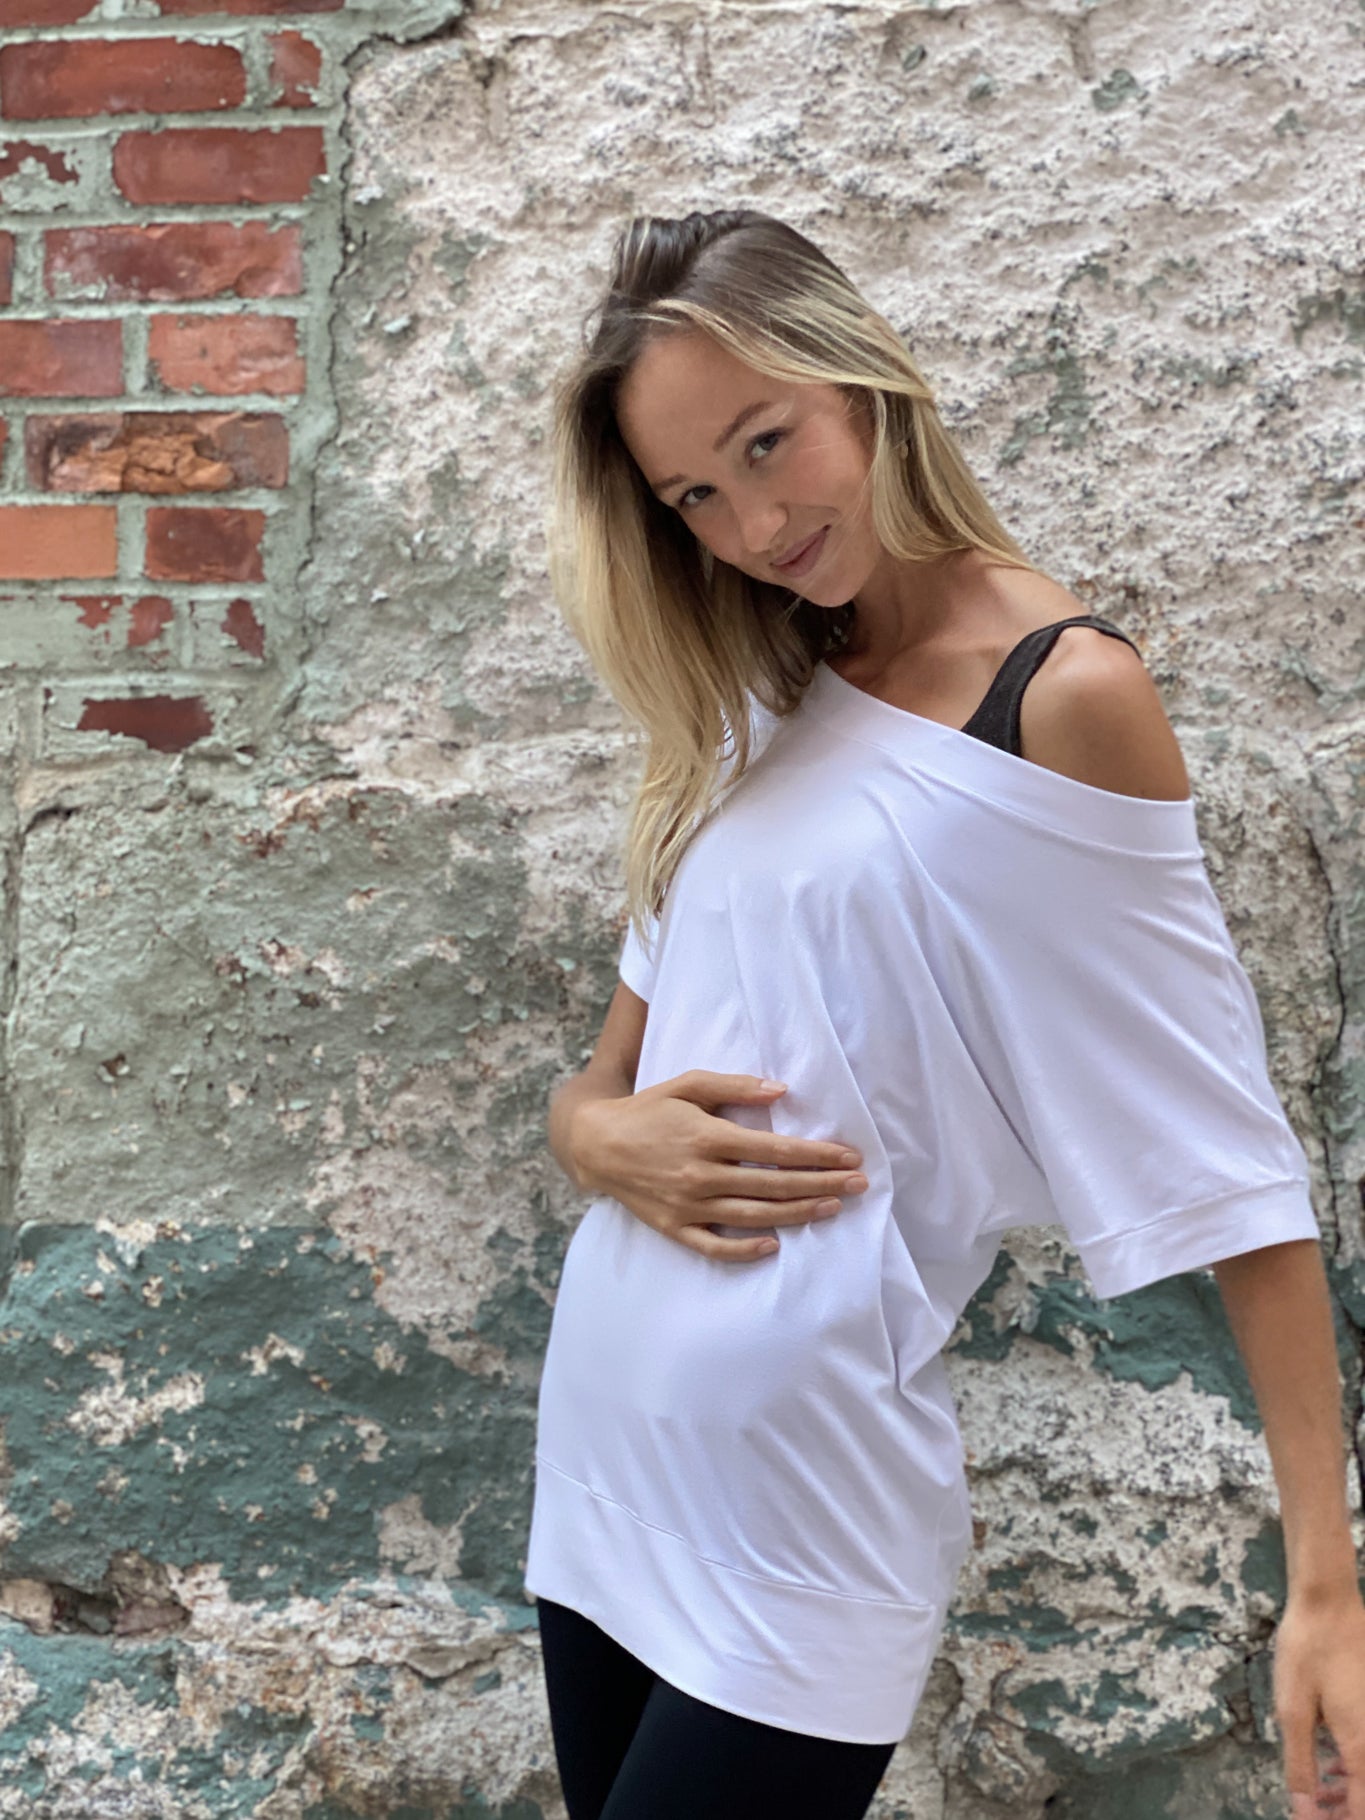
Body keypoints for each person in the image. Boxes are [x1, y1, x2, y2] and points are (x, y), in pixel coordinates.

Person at [522, 208, 1365, 1820]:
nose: (753, 520)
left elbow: (1225, 1163)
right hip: (609, 1462)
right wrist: (589, 1135)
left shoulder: (1059, 700)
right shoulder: (760, 681)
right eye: (696, 494)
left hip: (796, 1517)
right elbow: (605, 1082)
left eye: (767, 444)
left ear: (865, 382)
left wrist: (1323, 1585)